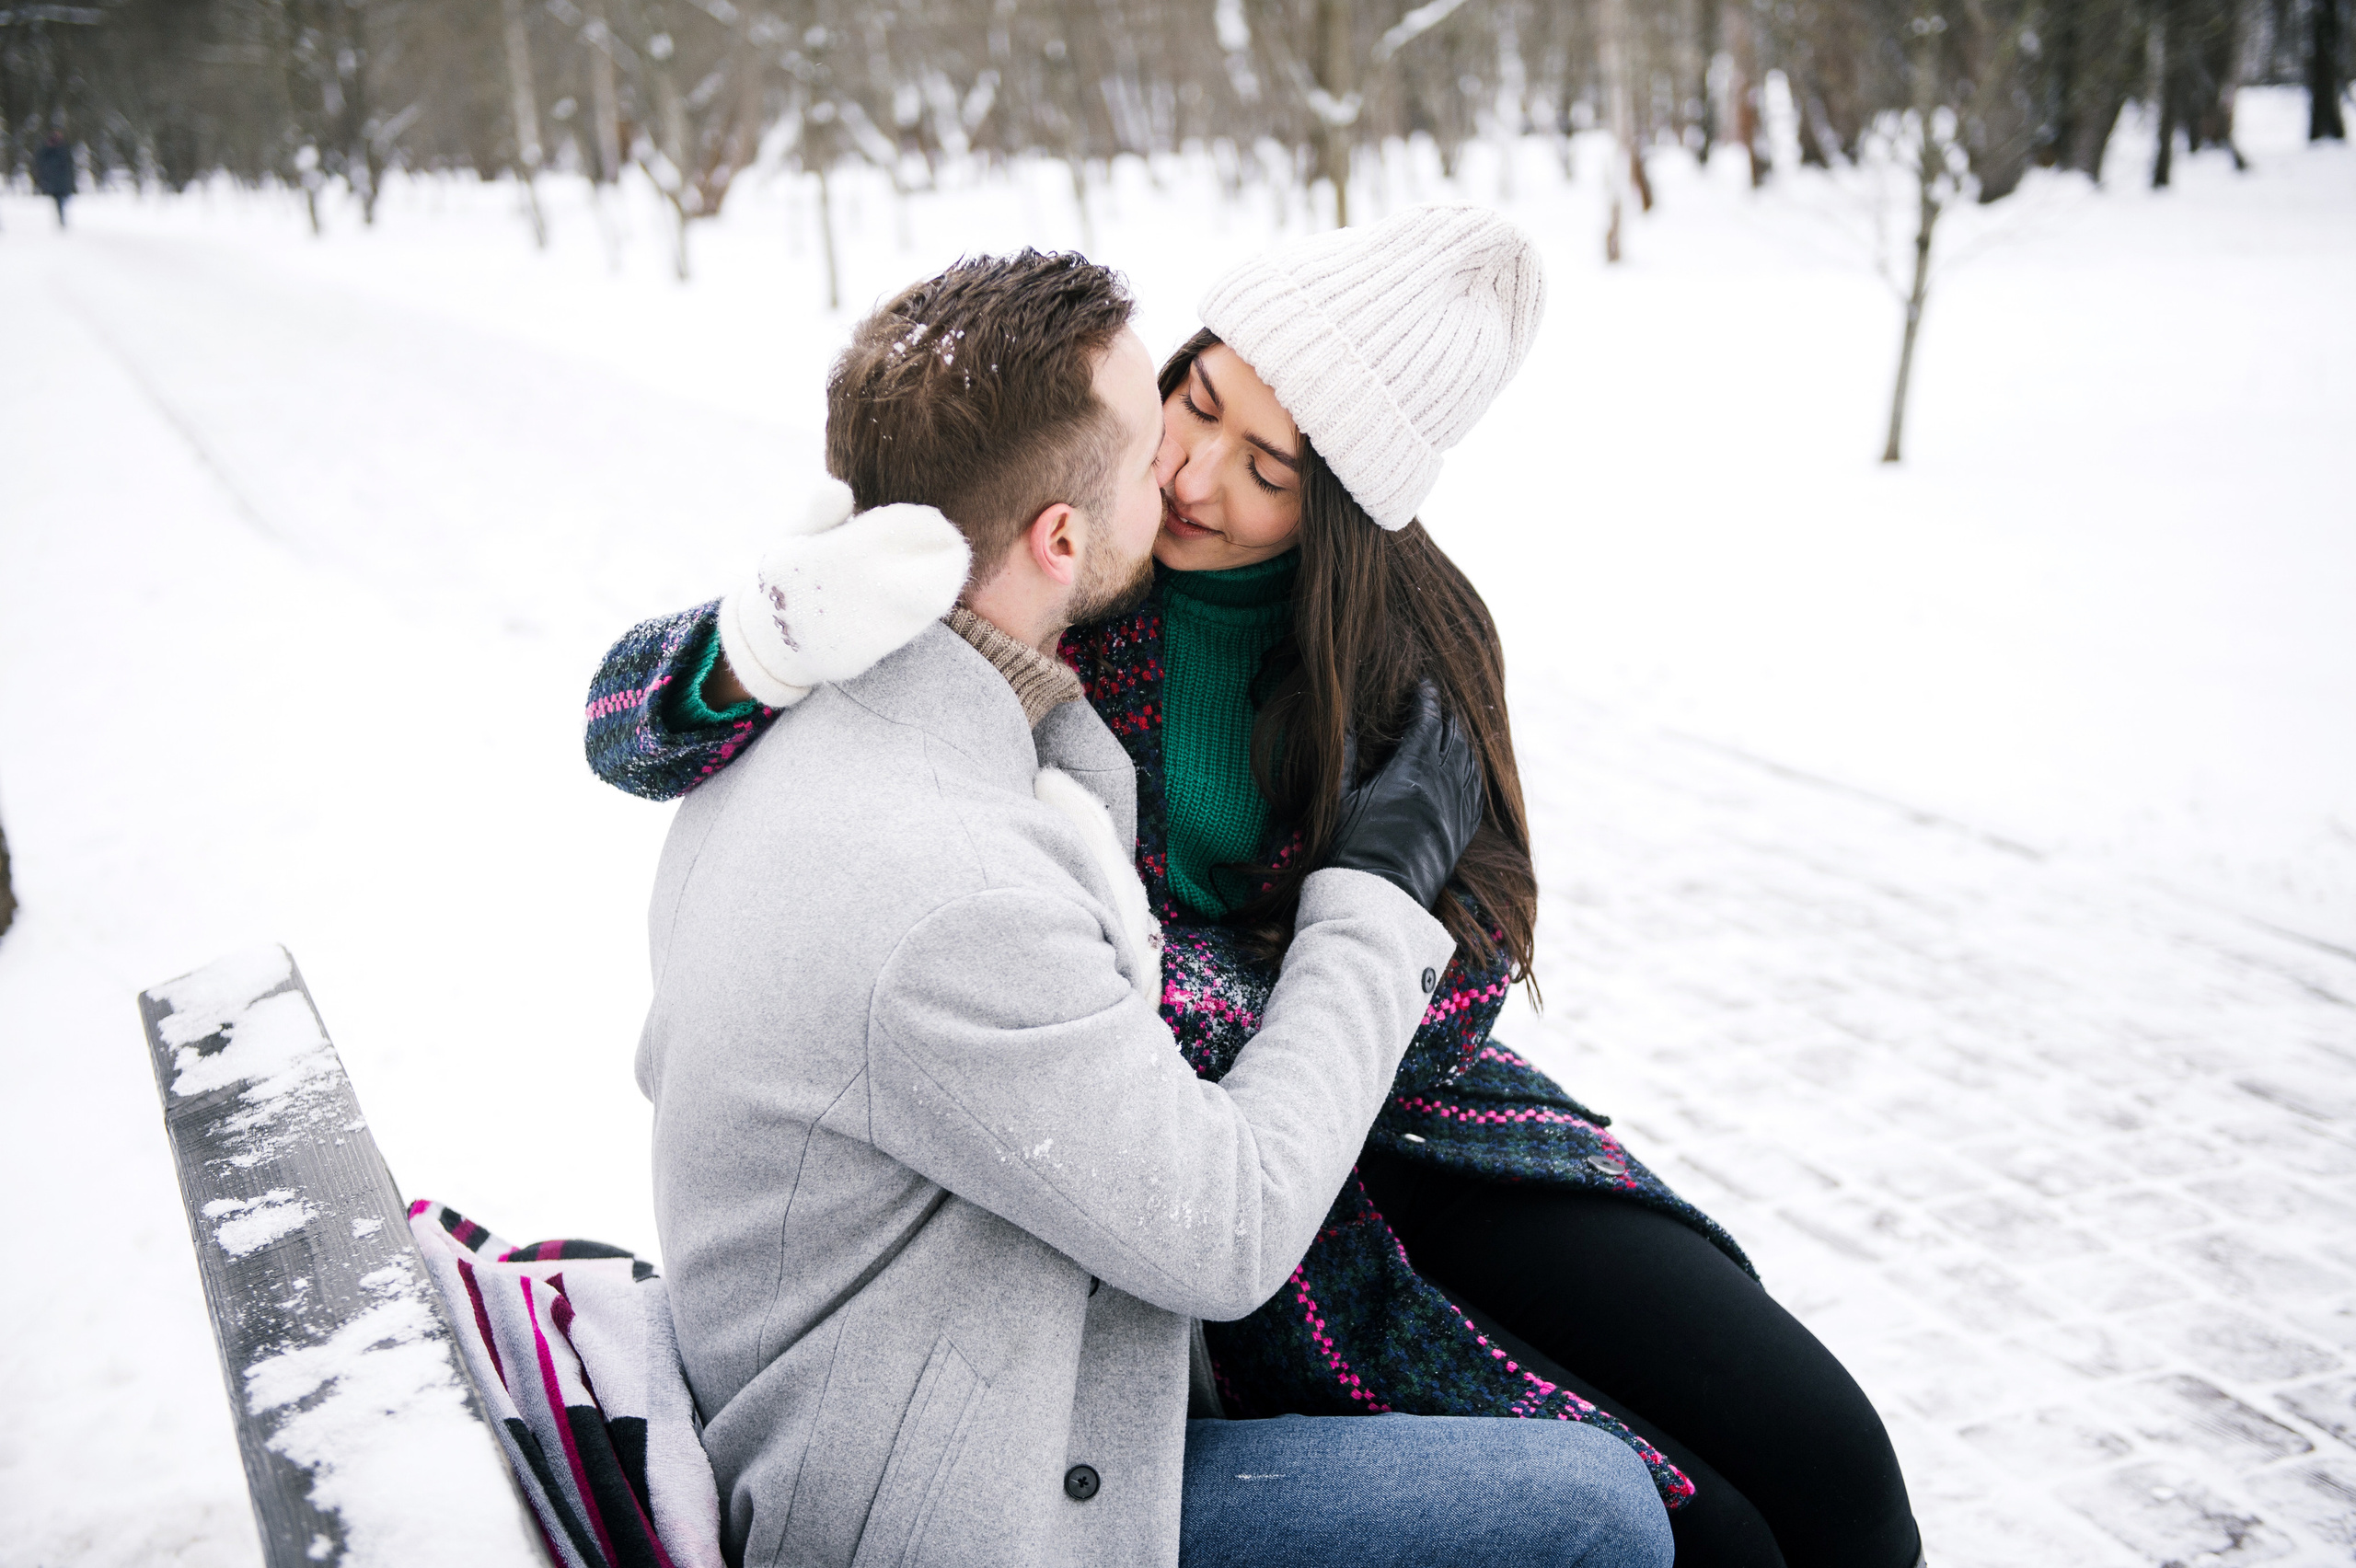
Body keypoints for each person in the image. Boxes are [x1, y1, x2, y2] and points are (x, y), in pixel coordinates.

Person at [591, 210, 1923, 1568]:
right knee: (1708, 1530)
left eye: (1267, 467)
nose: (1192, 473)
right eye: (1198, 400)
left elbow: (1472, 937)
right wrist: (769, 630)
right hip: (1178, 1161)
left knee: (1830, 1460)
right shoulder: (1070, 569)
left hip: (1402, 1115)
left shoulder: (1402, 640)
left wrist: (1375, 926)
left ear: (1338, 507)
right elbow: (636, 727)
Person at [34, 132, 75, 227]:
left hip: (62, 181)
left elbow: (68, 165)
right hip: (55, 181)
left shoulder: (63, 148)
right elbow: (42, 162)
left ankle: (61, 218)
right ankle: (61, 218)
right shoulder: (49, 149)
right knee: (59, 200)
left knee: (61, 200)